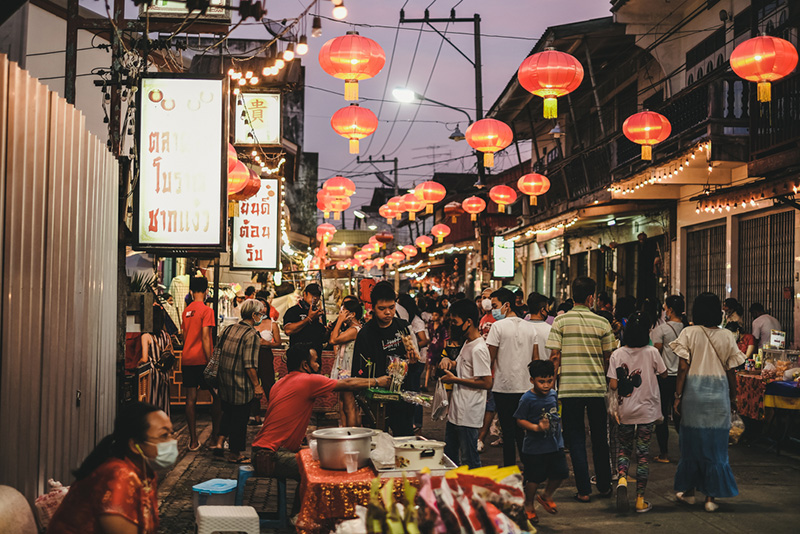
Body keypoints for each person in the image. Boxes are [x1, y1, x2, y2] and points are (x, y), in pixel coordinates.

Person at [252, 343, 389, 516]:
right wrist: (378, 381)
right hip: (269, 456)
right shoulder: (307, 380)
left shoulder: (279, 383)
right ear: (305, 365)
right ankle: (304, 518)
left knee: (314, 458)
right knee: (319, 469)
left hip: (261, 451)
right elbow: (347, 383)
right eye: (316, 361)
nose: (318, 365)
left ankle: (299, 515)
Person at [47, 402, 175, 534]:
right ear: (134, 445)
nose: (172, 442)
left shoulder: (146, 473)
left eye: (171, 433)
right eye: (163, 436)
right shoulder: (119, 476)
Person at [671, 292, 746, 512]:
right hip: (718, 397)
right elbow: (731, 371)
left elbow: (682, 369)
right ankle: (710, 499)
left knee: (691, 445)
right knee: (716, 447)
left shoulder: (689, 333)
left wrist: (677, 396)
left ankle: (689, 493)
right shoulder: (726, 336)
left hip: (693, 397)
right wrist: (733, 397)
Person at [546, 276, 615, 502]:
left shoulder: (560, 322)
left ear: (572, 296)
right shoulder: (602, 323)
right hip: (596, 388)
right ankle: (604, 485)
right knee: (599, 438)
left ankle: (584, 490)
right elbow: (609, 357)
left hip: (569, 389)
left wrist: (550, 387)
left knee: (575, 439)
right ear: (590, 298)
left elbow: (554, 356)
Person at [608, 312, 668, 514]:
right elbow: (664, 373)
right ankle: (640, 500)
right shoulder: (652, 352)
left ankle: (622, 479)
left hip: (625, 410)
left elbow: (613, 384)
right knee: (643, 455)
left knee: (624, 449)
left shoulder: (617, 354)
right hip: (647, 410)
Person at [351, 281, 419, 436]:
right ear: (373, 308)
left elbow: (414, 365)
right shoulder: (365, 334)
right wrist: (375, 382)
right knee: (377, 443)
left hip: (401, 399)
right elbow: (358, 371)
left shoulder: (403, 327)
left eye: (391, 307)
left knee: (404, 441)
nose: (388, 312)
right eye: (382, 309)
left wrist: (413, 362)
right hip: (375, 402)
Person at [486, 287, 540, 467]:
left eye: (495, 306)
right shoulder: (530, 327)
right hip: (525, 388)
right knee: (522, 432)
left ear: (507, 305)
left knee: (508, 433)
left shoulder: (497, 327)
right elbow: (536, 360)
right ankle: (528, 468)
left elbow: (490, 358)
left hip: (503, 387)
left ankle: (510, 470)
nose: (493, 310)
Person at [438, 299, 493, 469]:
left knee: (470, 460)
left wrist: (455, 380)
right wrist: (449, 361)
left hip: (468, 414)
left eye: (455, 322)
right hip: (456, 411)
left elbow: (486, 382)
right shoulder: (468, 343)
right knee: (450, 458)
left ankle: (474, 486)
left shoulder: (479, 349)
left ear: (468, 322)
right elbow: (462, 365)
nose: (452, 326)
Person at [514, 360, 567, 525]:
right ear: (532, 380)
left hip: (555, 444)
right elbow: (519, 420)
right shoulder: (527, 399)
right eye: (541, 381)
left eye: (549, 381)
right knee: (534, 479)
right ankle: (528, 504)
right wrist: (535, 427)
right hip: (535, 448)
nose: (546, 385)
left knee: (561, 472)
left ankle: (546, 495)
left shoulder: (553, 394)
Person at [212, 299, 265, 463]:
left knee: (227, 413)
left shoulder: (229, 328)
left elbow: (217, 352)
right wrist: (257, 386)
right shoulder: (251, 335)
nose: (261, 316)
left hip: (224, 381)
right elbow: (249, 365)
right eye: (260, 314)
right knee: (240, 419)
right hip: (241, 384)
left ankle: (219, 443)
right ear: (254, 315)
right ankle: (235, 454)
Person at [181, 276, 221, 452]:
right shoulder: (207, 310)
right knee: (217, 397)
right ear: (206, 291)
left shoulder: (186, 311)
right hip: (202, 359)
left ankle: (193, 441)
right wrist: (211, 361)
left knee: (190, 399)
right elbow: (205, 337)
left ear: (191, 291)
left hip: (187, 359)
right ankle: (214, 438)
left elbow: (184, 336)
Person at [650, 295, 686, 462]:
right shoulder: (687, 329)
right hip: (682, 377)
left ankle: (664, 454)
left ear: (670, 310)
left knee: (662, 415)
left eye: (665, 308)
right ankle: (685, 453)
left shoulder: (662, 330)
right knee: (680, 415)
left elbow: (655, 353)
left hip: (664, 377)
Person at [330, 296, 363, 426]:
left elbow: (333, 340)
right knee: (344, 404)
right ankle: (346, 430)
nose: (341, 314)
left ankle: (352, 432)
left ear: (352, 314)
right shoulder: (353, 328)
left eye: (343, 312)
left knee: (349, 406)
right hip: (346, 368)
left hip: (348, 371)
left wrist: (339, 321)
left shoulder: (354, 330)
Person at [139, 305, 174, 416]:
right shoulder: (166, 336)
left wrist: (137, 364)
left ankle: (153, 422)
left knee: (152, 401)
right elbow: (171, 354)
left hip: (153, 375)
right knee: (164, 403)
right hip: (165, 374)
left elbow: (144, 358)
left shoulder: (146, 336)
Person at [254, 291, 282, 402]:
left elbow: (278, 343)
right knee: (252, 385)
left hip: (265, 355)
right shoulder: (250, 323)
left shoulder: (272, 324)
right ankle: (254, 412)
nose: (262, 309)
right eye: (260, 306)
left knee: (268, 385)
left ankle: (273, 409)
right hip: (251, 356)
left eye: (265, 306)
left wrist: (268, 344)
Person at [283, 283, 327, 351]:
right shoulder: (293, 311)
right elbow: (288, 331)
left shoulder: (319, 313)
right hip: (298, 353)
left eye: (318, 295)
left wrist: (328, 330)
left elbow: (323, 339)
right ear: (304, 294)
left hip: (315, 353)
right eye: (313, 294)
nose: (315, 298)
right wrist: (308, 319)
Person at [526, 292, 552, 361]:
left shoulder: (522, 328)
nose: (548, 311)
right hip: (545, 366)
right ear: (542, 310)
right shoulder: (550, 330)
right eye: (547, 308)